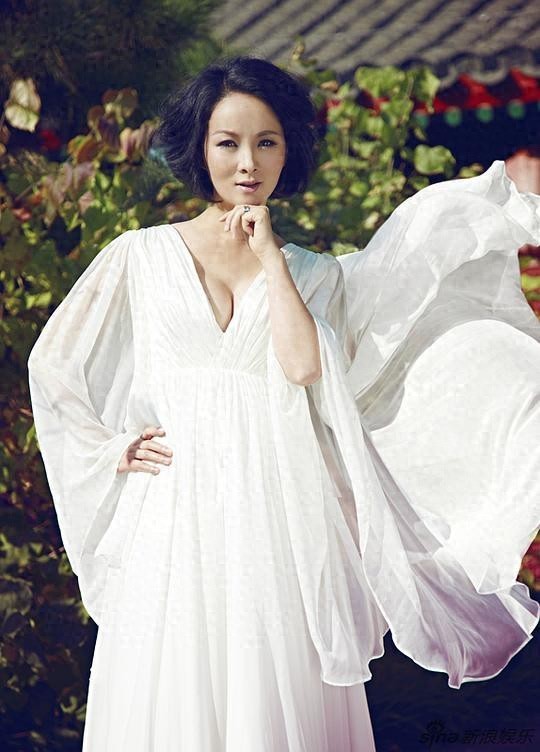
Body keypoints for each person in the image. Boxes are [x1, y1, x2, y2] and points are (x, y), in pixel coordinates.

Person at [27, 55, 540, 752]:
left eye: (266, 142)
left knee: (269, 708)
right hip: (172, 518)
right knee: (171, 696)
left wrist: (271, 257)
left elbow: (304, 368)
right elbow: (55, 367)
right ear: (200, 147)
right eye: (228, 142)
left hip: (274, 521)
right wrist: (112, 448)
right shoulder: (137, 257)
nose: (248, 163)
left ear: (287, 150)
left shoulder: (310, 272)